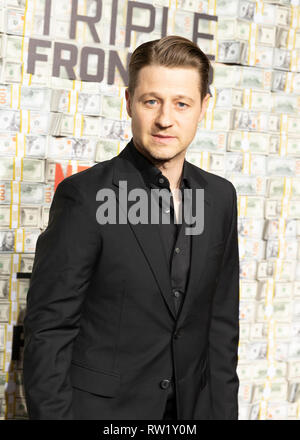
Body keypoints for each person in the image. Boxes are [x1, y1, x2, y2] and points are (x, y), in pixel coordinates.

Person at [23, 35, 240, 420]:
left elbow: (221, 329)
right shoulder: (86, 197)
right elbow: (49, 332)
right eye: (151, 101)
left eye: (182, 103)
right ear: (128, 102)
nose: (165, 119)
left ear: (204, 107)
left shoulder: (220, 198)